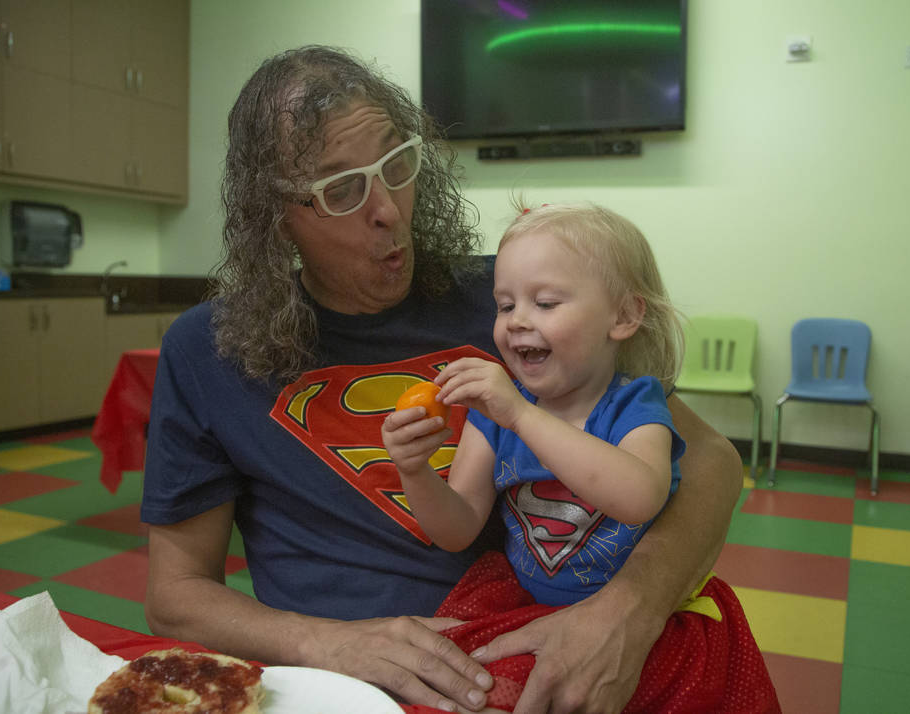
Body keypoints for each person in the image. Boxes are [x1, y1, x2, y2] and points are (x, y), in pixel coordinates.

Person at [141, 45, 745, 714]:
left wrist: (629, 610)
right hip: (338, 688)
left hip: (524, 648)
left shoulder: (514, 300)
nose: (390, 211)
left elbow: (713, 460)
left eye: (397, 164)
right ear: (275, 214)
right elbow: (175, 594)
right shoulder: (207, 350)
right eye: (342, 188)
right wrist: (327, 644)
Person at [382, 203, 779, 712]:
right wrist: (414, 471)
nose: (517, 321)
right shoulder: (494, 415)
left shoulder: (635, 405)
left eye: (545, 303)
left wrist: (523, 419)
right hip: (525, 606)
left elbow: (638, 496)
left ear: (623, 316)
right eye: (505, 306)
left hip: (644, 626)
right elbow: (456, 528)